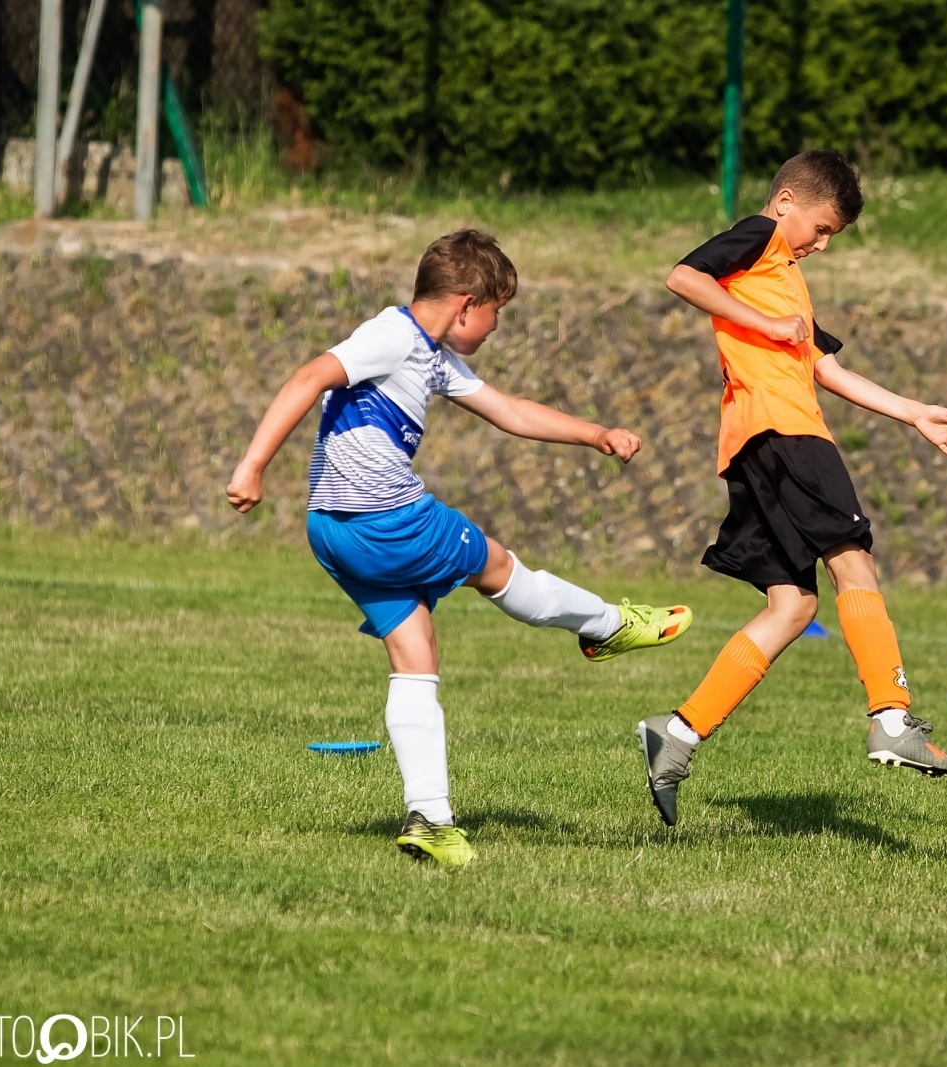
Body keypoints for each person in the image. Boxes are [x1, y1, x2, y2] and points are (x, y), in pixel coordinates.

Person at [225, 229, 692, 866]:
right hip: (388, 518)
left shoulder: (432, 356)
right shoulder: (393, 336)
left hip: (333, 531)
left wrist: (595, 434)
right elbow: (309, 375)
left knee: (414, 652)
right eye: (497, 312)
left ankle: (431, 820)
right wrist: (253, 464)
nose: (497, 326)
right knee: (496, 565)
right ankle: (607, 626)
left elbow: (510, 411)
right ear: (468, 304)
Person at [636, 149, 947, 827]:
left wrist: (914, 413)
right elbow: (682, 276)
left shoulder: (786, 276)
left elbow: (828, 370)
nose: (822, 244)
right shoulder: (761, 237)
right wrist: (763, 324)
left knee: (792, 605)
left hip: (756, 440)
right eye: (821, 229)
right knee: (854, 561)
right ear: (787, 200)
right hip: (785, 433)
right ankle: (891, 718)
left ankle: (676, 734)